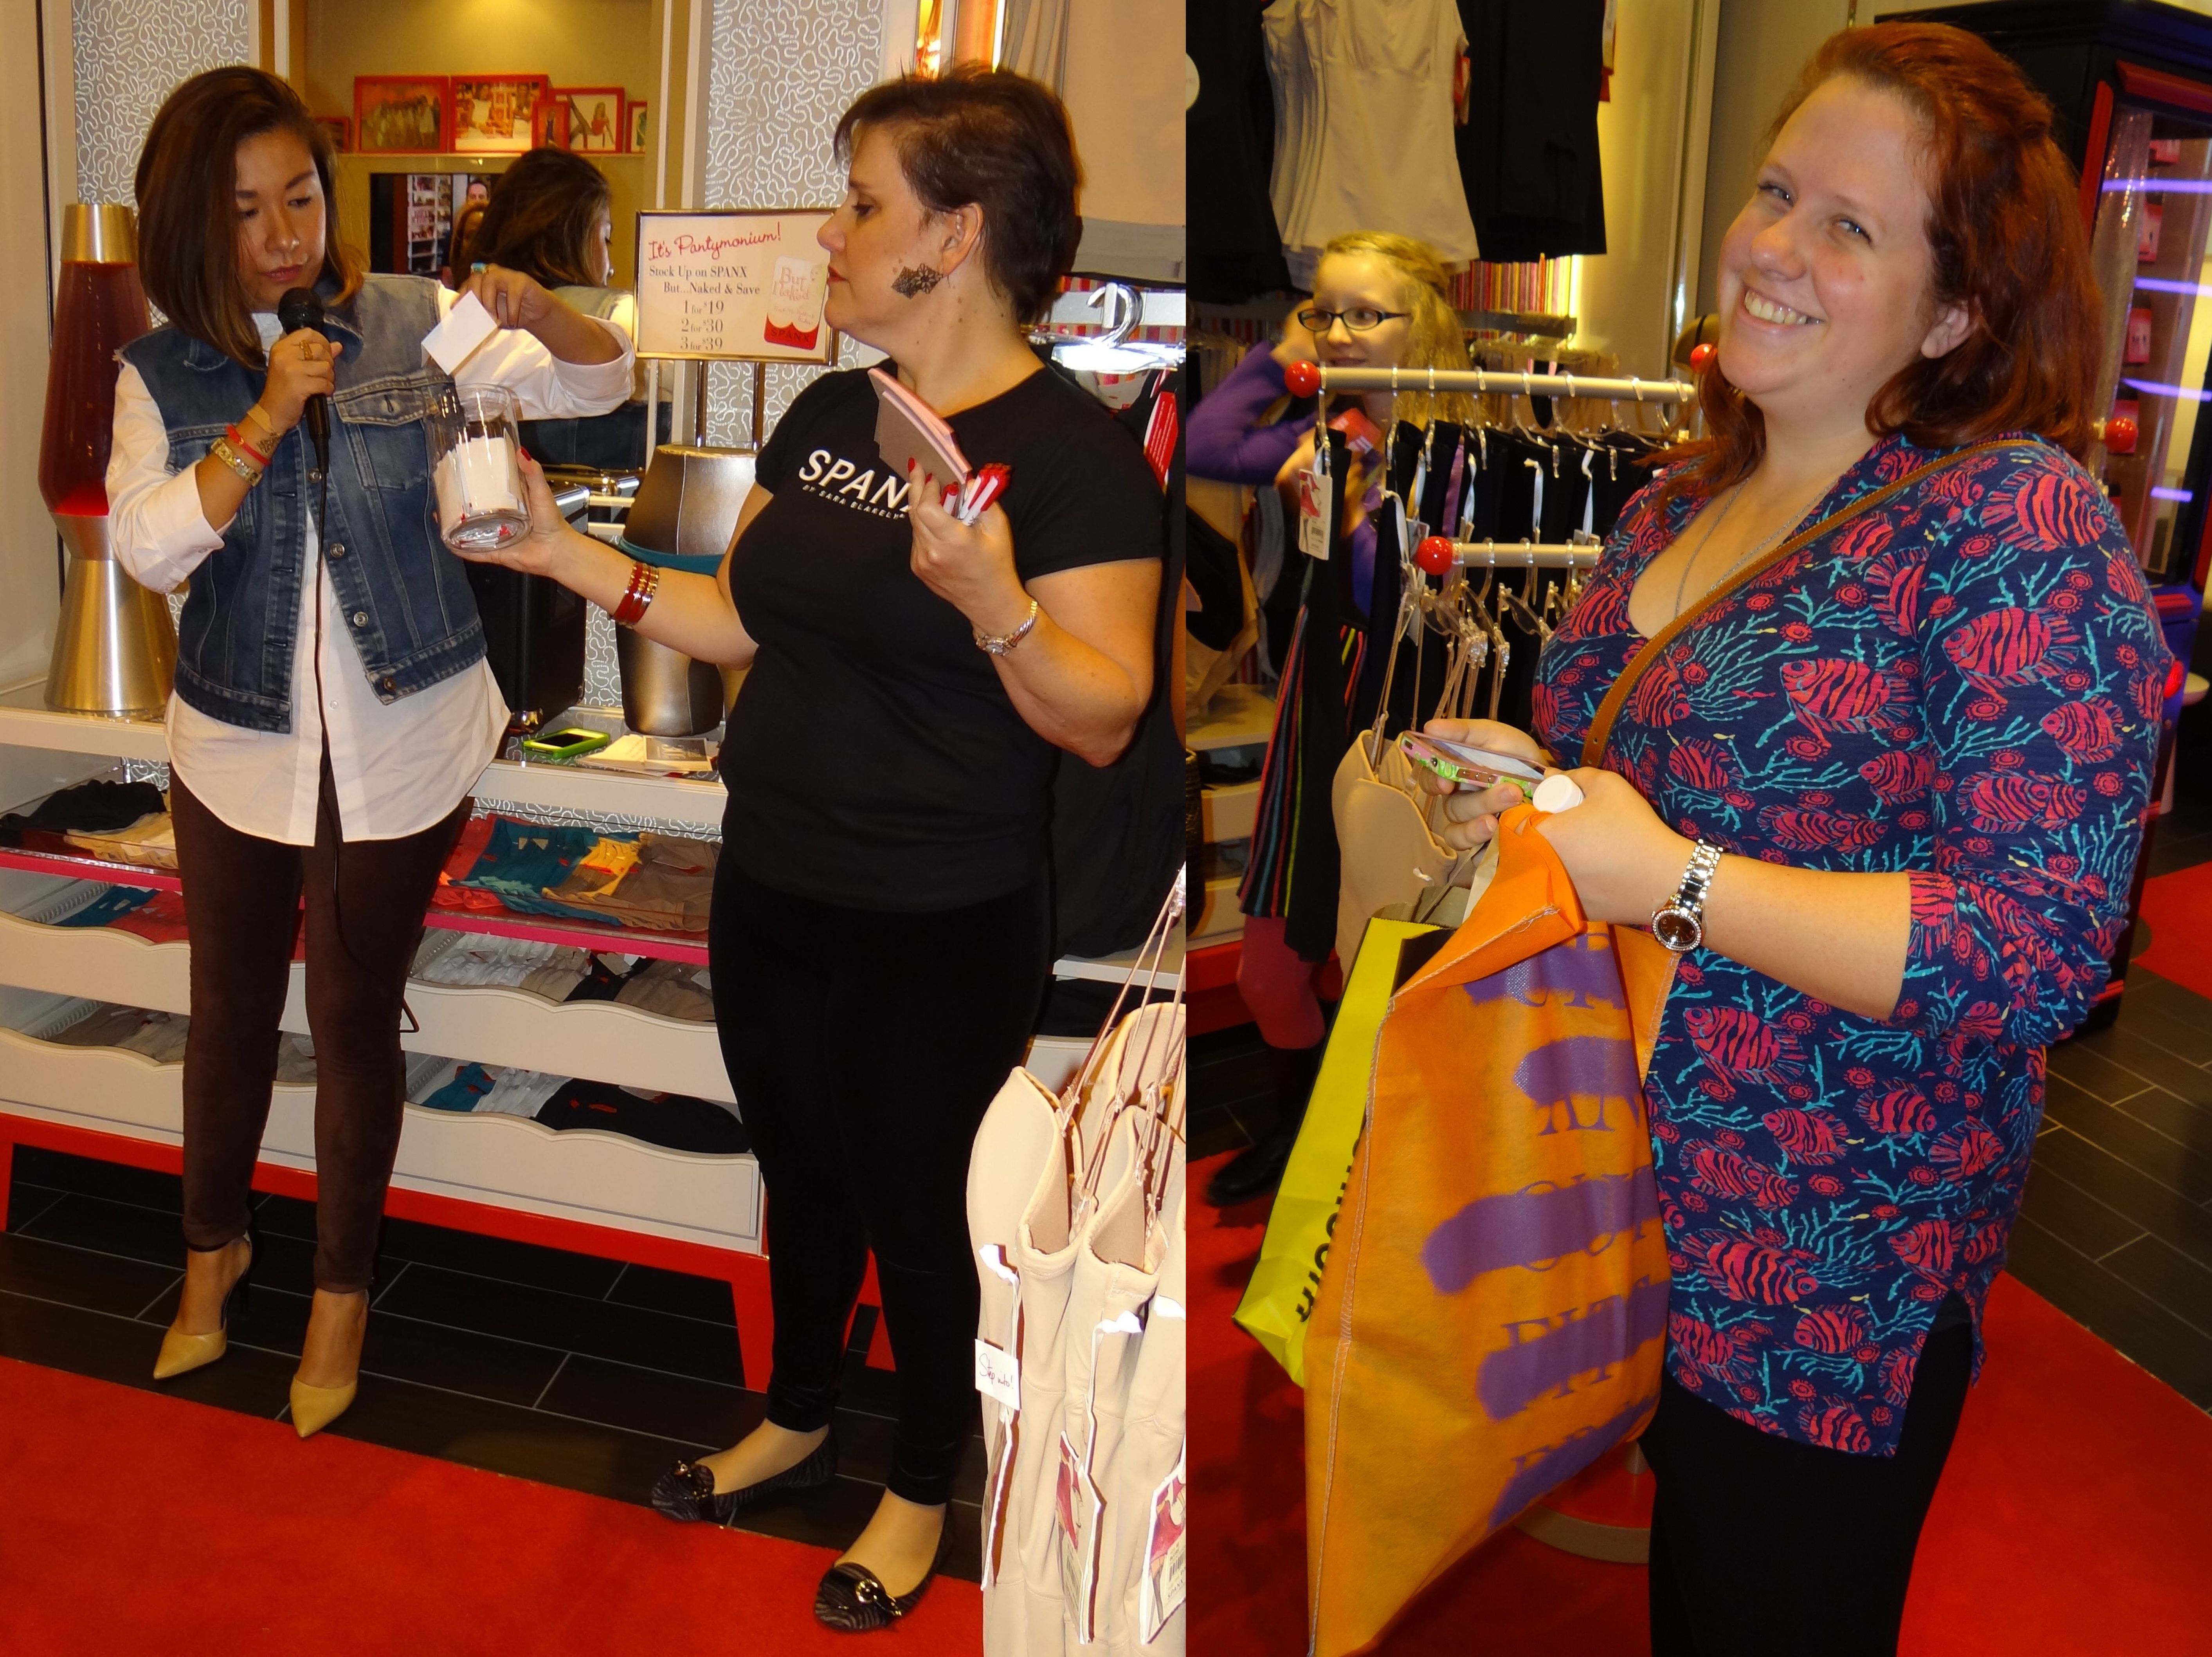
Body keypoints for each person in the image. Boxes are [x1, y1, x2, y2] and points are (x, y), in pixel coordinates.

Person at [1419, 25, 2169, 1654]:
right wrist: (1541, 793)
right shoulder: (1676, 500)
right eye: (1774, 193)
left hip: (1823, 1266)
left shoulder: (2010, 525)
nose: (1773, 246)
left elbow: (2039, 947)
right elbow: (1650, 786)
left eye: (1849, 226)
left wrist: (1670, 880)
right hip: (1604, 1183)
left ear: (1955, 309)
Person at [450, 66, 1163, 1630]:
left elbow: (1105, 717)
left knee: (919, 1206)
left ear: (954, 236)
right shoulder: (837, 412)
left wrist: (996, 602)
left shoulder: (1072, 459)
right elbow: (735, 618)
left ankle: (918, 1483)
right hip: (773, 877)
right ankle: (794, 1414)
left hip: (940, 910)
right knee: (804, 1169)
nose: (833, 236)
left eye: (861, 205)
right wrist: (563, 551)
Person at [110, 67, 633, 1438]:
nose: (285, 234)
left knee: (351, 1015)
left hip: (403, 737)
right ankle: (211, 1251)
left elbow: (601, 380)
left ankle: (341, 1293)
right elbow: (148, 545)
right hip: (235, 742)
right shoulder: (159, 371)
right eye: (246, 210)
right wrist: (263, 417)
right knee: (226, 1012)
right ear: (191, 222)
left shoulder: (409, 321)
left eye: (300, 197)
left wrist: (542, 309)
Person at [1186, 230, 1475, 1207]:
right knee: (1269, 967)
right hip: (1315, 708)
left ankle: (1364, 1158)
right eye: (1325, 310)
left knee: (1385, 958)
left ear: (1422, 324)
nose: (1340, 332)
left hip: (1408, 719)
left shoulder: (1465, 456)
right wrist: (1284, 353)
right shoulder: (1330, 432)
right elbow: (1207, 443)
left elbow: (1427, 607)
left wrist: (1352, 516)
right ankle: (1300, 1129)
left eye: (1365, 313)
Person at [452, 146, 665, 470]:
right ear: (575, 238)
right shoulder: (625, 317)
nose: (610, 268)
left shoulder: (464, 320)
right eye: (605, 238)